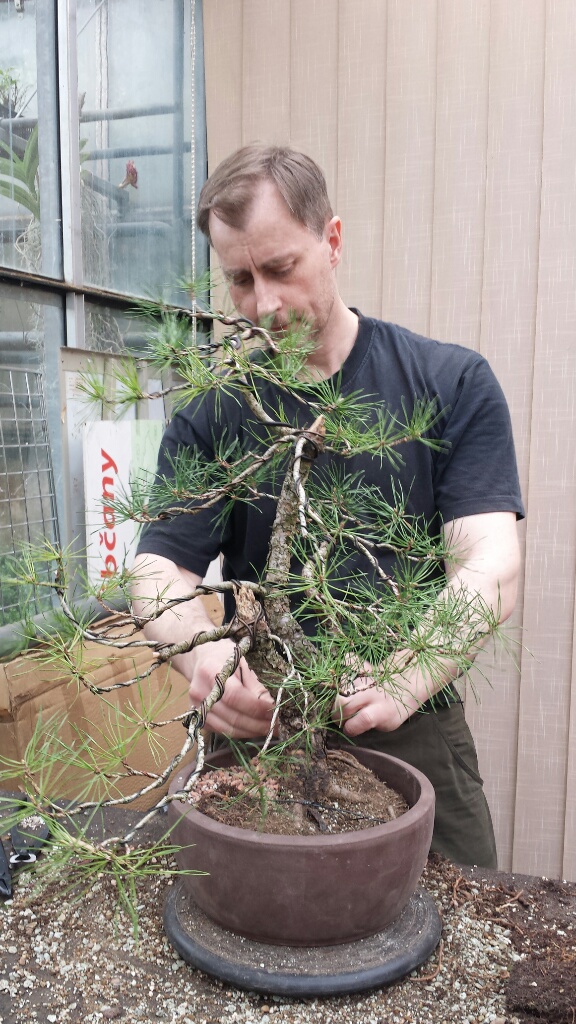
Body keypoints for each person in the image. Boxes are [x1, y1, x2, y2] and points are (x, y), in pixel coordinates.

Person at [132, 144, 524, 868]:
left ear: (332, 240)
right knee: (246, 909)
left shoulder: (448, 383)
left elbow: (491, 562)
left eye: (281, 268)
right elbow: (158, 568)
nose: (264, 305)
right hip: (262, 723)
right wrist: (206, 656)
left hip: (412, 719)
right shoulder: (217, 410)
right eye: (240, 280)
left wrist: (408, 672)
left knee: (459, 914)